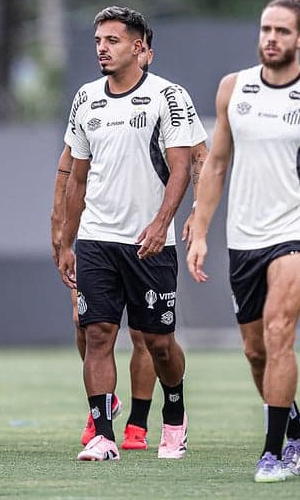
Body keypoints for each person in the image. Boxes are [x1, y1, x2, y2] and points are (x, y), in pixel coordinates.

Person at [185, 0, 300, 483]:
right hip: (244, 235)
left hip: (298, 231)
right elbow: (216, 163)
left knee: (280, 331)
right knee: (255, 350)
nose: (271, 38)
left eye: (282, 31)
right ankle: (299, 432)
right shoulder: (232, 89)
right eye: (266, 29)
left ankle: (272, 452)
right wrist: (199, 228)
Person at [51, 26, 207, 451]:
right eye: (98, 40)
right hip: (96, 238)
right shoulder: (85, 97)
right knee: (97, 333)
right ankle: (103, 434)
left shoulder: (167, 96)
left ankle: (173, 411)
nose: (102, 48)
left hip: (148, 242)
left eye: (113, 41)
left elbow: (180, 167)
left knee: (157, 342)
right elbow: (77, 176)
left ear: (139, 48)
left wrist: (161, 223)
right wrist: (66, 240)